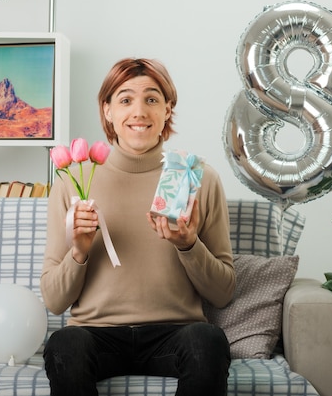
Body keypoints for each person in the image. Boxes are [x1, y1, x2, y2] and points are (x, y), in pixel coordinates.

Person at [40, 58, 236, 396]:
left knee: (208, 341)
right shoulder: (73, 181)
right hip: (95, 335)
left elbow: (223, 292)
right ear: (107, 111)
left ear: (167, 109)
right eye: (126, 99)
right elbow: (54, 301)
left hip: (175, 333)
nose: (139, 112)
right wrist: (79, 252)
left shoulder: (198, 178)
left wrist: (189, 245)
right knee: (64, 345)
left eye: (152, 99)